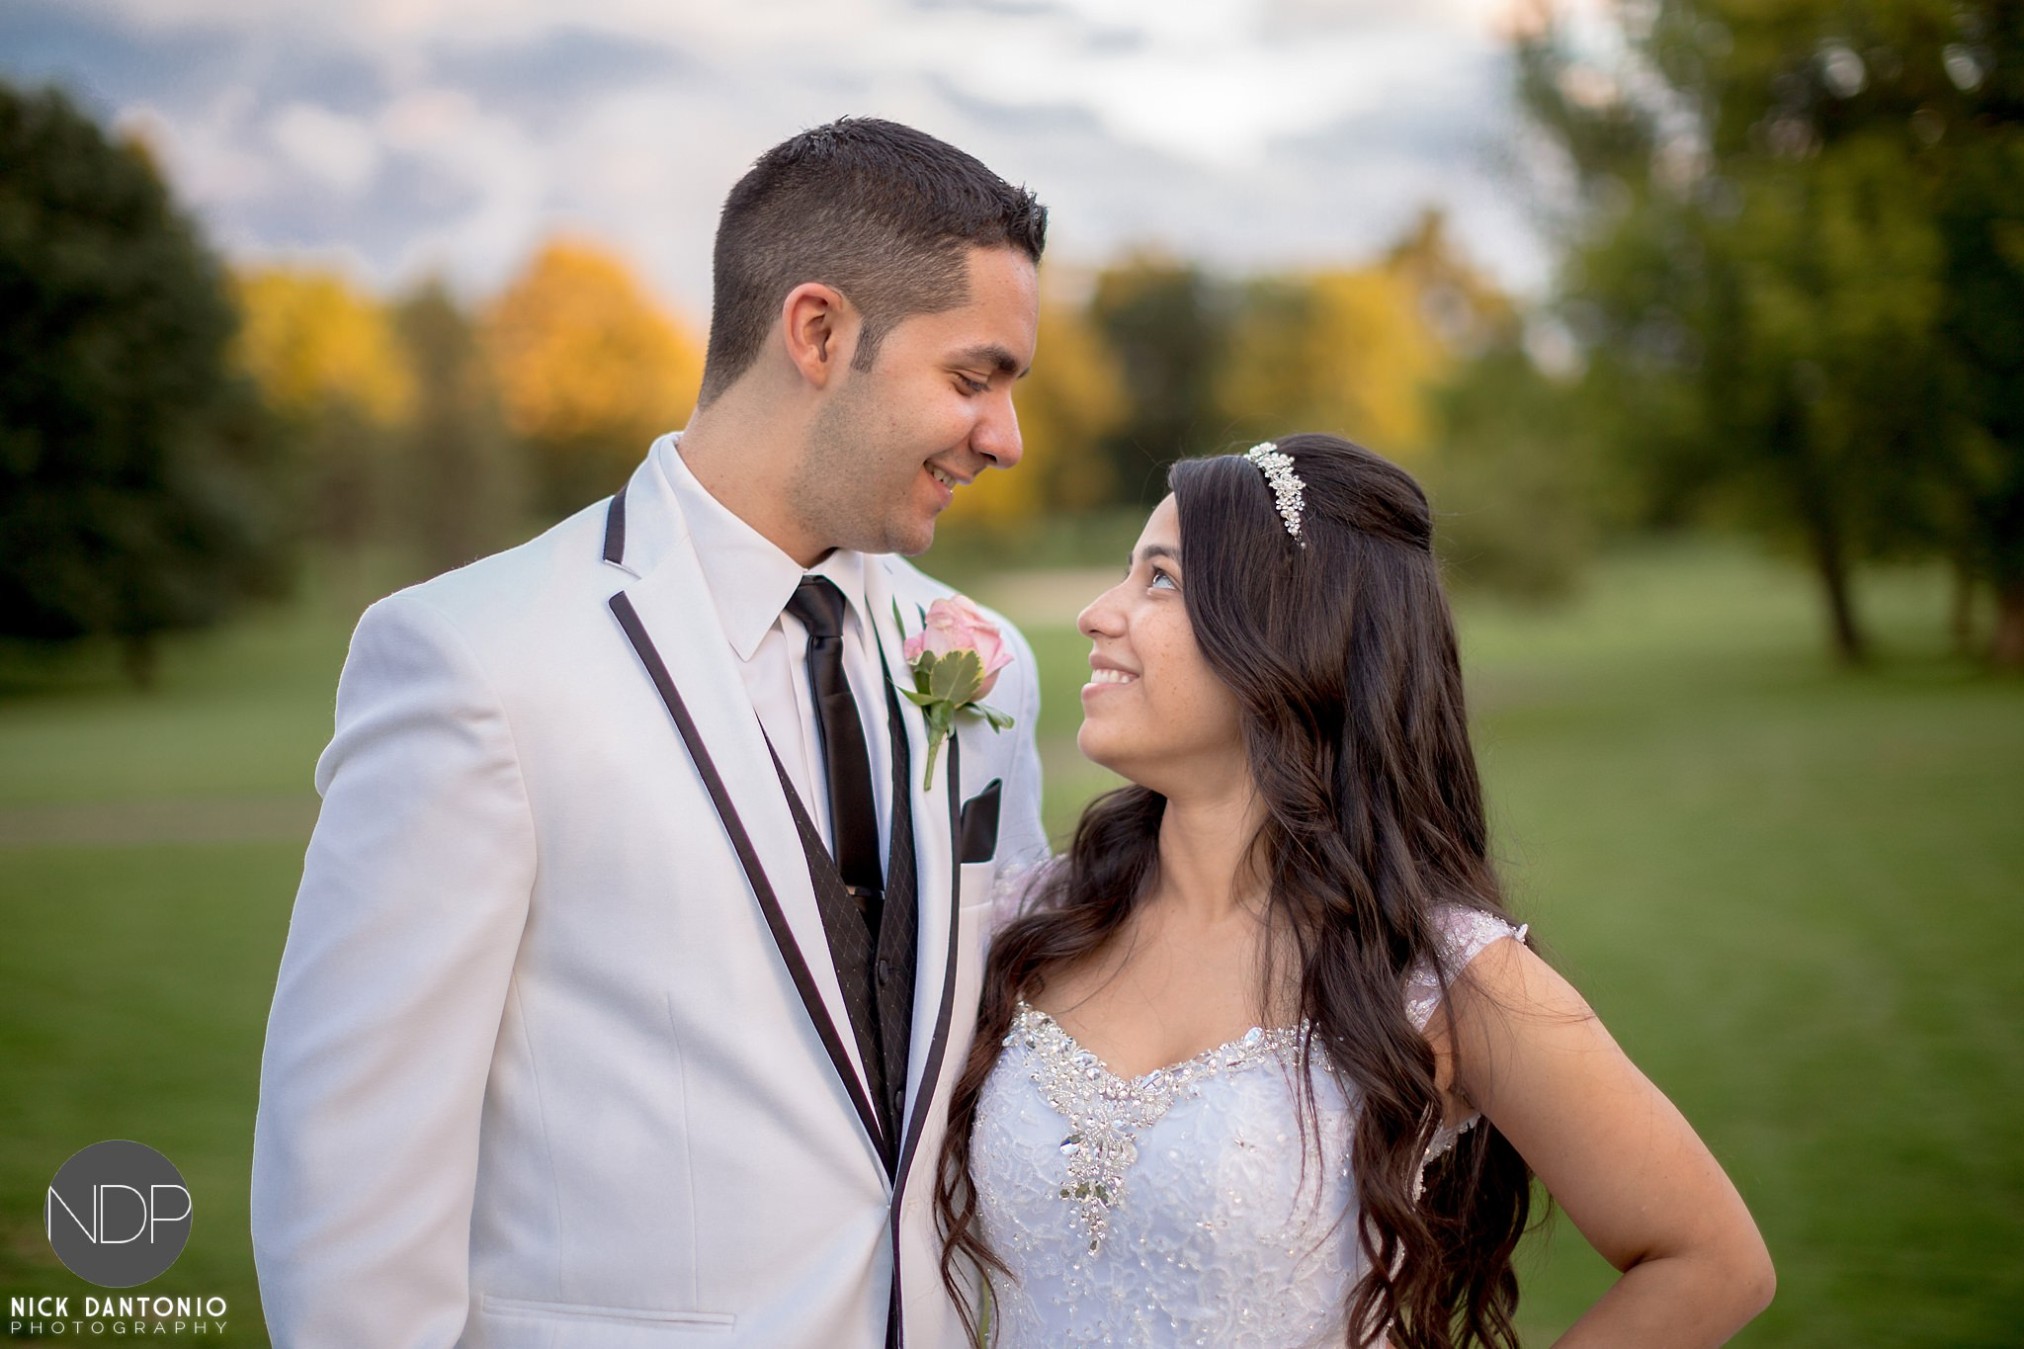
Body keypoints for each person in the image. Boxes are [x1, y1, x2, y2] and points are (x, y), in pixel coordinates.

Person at [252, 118, 1050, 1347]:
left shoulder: (983, 664)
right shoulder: (478, 660)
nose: (1004, 437)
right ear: (819, 333)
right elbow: (350, 1177)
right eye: (972, 376)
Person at [936, 434, 1776, 1347]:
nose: (1100, 614)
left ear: (1288, 634)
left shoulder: (1441, 977)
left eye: (1161, 581)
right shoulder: (1040, 919)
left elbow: (1711, 1260)